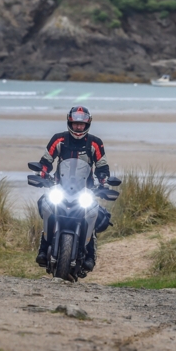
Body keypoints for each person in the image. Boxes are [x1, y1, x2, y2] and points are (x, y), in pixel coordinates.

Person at [35, 106, 110, 272]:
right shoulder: (58, 139)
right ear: (70, 122)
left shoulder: (95, 143)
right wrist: (42, 174)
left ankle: (90, 255)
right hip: (61, 187)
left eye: (82, 124)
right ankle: (43, 249)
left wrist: (104, 182)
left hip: (85, 190)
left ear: (87, 124)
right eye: (75, 123)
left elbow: (102, 166)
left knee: (93, 213)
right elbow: (46, 161)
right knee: (46, 206)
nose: (78, 127)